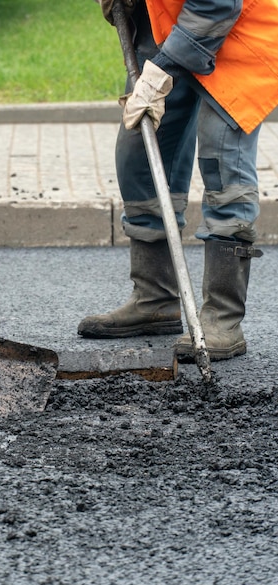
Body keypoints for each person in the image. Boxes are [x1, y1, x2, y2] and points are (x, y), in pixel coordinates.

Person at [78, 0, 278, 360]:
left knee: (222, 166)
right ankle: (155, 299)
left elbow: (217, 5)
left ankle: (222, 317)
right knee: (137, 154)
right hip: (173, 31)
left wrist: (160, 74)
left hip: (236, 36)